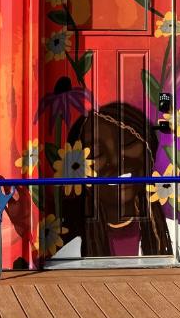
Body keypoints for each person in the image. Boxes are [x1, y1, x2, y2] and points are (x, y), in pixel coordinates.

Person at [56, 102, 172, 258]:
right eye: (96, 153)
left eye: (128, 143)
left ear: (149, 153)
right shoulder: (68, 253)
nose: (116, 161)